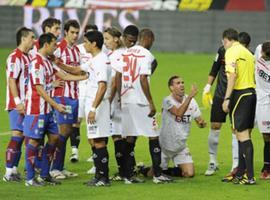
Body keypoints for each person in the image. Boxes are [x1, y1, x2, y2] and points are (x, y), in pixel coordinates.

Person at [23, 33, 88, 186]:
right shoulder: (37, 63)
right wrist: (56, 105)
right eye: (54, 44)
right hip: (36, 110)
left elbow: (64, 76)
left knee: (55, 138)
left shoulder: (47, 62)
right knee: (33, 141)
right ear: (46, 45)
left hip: (47, 110)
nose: (56, 47)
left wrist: (86, 77)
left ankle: (45, 174)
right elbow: (39, 89)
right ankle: (30, 178)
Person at [115, 26, 172, 184]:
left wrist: (120, 97)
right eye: (152, 41)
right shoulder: (147, 55)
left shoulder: (125, 52)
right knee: (153, 136)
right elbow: (142, 79)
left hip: (126, 100)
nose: (152, 44)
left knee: (130, 138)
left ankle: (127, 175)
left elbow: (118, 76)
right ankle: (158, 175)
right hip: (141, 101)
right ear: (148, 39)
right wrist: (151, 103)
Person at [138, 76, 206, 178]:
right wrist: (190, 97)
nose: (182, 84)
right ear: (171, 88)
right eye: (178, 83)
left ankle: (165, 171)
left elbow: (198, 119)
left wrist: (201, 123)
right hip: (164, 146)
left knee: (189, 174)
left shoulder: (191, 101)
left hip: (180, 147)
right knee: (150, 175)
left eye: (182, 82)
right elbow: (179, 113)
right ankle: (144, 169)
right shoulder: (167, 101)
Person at [222, 28, 256, 185]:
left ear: (226, 40)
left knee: (242, 135)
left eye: (223, 42)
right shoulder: (248, 53)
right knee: (241, 134)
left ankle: (249, 177)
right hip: (251, 93)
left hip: (240, 94)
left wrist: (227, 98)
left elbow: (233, 75)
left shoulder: (231, 52)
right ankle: (241, 173)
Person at [50, 19, 81, 179]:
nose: (75, 35)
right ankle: (53, 168)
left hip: (75, 96)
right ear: (66, 32)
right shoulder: (58, 49)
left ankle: (60, 167)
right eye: (72, 32)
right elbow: (50, 68)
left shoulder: (76, 50)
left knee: (68, 132)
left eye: (77, 32)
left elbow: (78, 70)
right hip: (62, 95)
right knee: (62, 132)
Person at [3, 27, 35, 182]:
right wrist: (17, 102)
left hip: (27, 104)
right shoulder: (15, 57)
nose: (34, 40)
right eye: (31, 37)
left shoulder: (27, 57)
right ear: (23, 39)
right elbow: (11, 80)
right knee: (17, 135)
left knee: (22, 137)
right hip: (18, 104)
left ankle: (14, 170)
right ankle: (8, 172)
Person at [82, 31, 112, 187]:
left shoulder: (100, 60)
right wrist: (58, 65)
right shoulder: (95, 59)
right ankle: (98, 176)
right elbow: (79, 71)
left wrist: (93, 108)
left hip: (97, 105)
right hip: (94, 105)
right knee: (95, 140)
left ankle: (103, 178)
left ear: (94, 44)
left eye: (86, 41)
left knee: (99, 141)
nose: (84, 44)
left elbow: (102, 86)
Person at [69, 24, 98, 164]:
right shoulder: (79, 49)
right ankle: (74, 151)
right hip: (80, 88)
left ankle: (94, 154)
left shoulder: (101, 51)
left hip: (93, 90)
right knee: (76, 121)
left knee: (92, 122)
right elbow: (75, 68)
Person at [103, 27, 126, 180]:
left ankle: (124, 172)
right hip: (123, 99)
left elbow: (114, 81)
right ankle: (126, 170)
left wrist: (108, 101)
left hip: (116, 101)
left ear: (116, 39)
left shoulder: (116, 55)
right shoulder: (121, 53)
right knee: (120, 135)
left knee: (117, 136)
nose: (105, 42)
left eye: (107, 39)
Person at [254, 42, 270, 180]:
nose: (262, 56)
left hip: (267, 103)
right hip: (256, 99)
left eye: (264, 56)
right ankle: (241, 166)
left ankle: (267, 167)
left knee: (267, 136)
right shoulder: (259, 48)